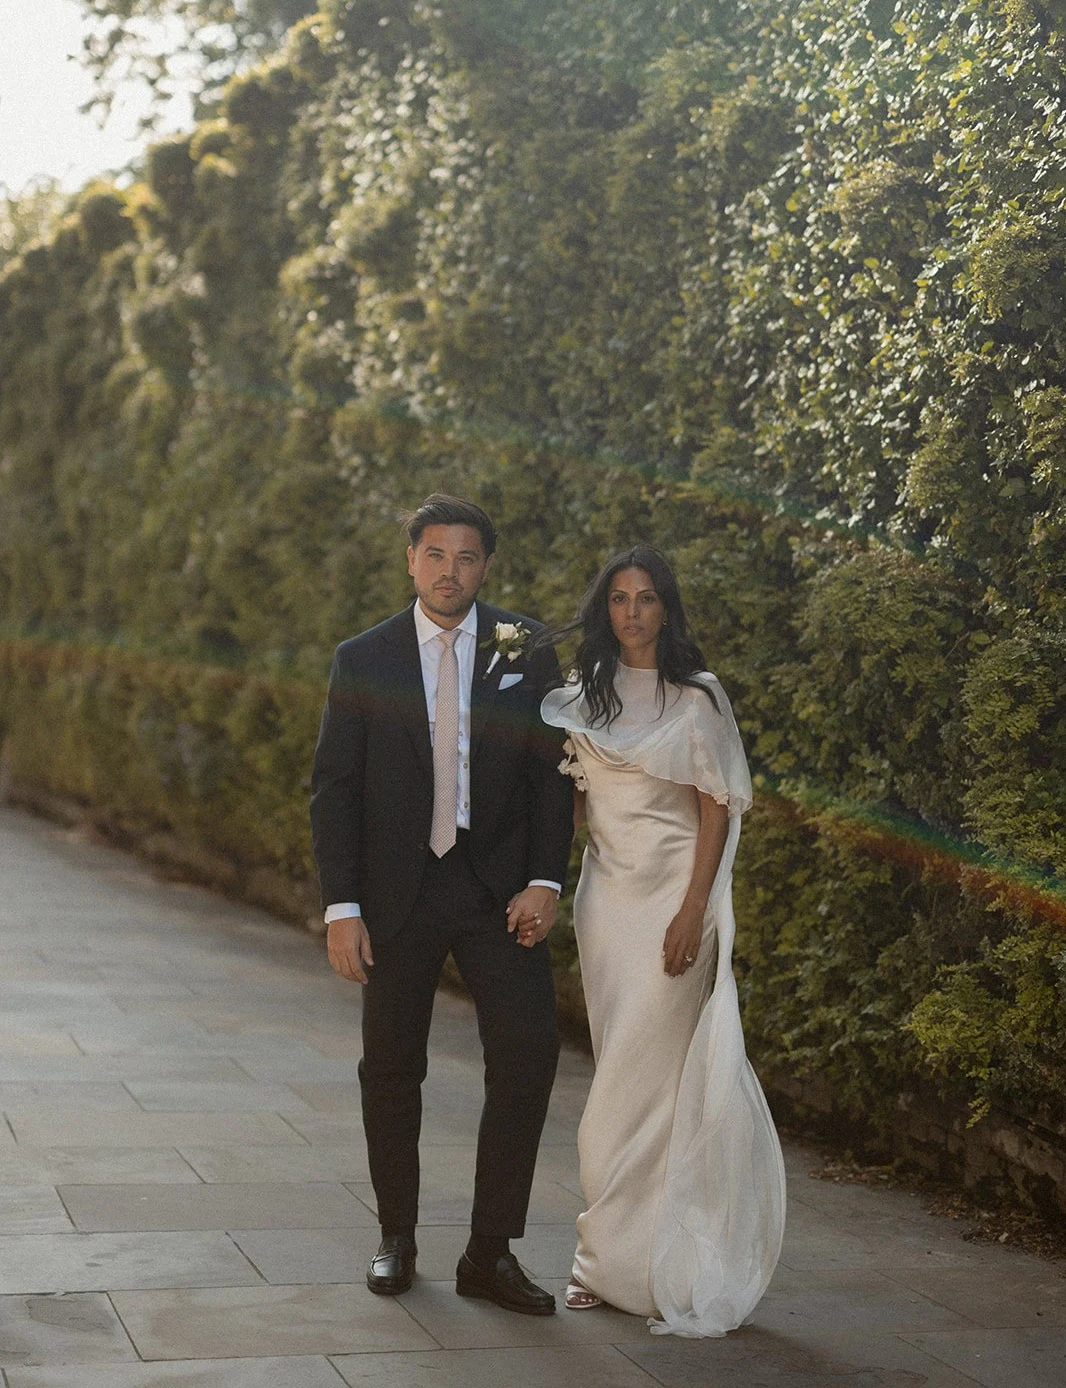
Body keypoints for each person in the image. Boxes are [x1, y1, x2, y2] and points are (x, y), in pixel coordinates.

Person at [310, 494, 573, 1314]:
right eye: (434, 554)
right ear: (410, 561)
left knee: (527, 1056)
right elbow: (334, 788)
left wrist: (546, 879)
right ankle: (396, 1235)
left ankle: (489, 1253)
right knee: (391, 1067)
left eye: (465, 557)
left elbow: (551, 773)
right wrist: (341, 907)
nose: (448, 571)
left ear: (484, 565)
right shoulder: (364, 657)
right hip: (398, 894)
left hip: (498, 891)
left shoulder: (525, 649)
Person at [540, 546, 786, 1337]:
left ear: (666, 608)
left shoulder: (695, 697)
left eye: (646, 598)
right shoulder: (582, 694)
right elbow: (572, 806)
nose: (632, 612)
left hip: (673, 900)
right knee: (617, 1063)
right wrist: (534, 880)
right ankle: (609, 1261)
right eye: (618, 598)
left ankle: (623, 1263)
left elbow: (715, 808)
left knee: (644, 1081)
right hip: (605, 904)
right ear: (603, 609)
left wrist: (692, 910)